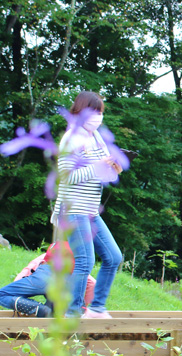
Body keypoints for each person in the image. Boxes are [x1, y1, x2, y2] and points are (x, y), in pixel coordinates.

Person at [52, 91, 123, 318]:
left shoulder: (96, 138)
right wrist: (98, 166)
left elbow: (103, 175)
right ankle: (72, 313)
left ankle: (97, 308)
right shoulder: (71, 138)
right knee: (85, 261)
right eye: (94, 112)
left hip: (90, 210)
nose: (98, 117)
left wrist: (113, 168)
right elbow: (66, 176)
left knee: (113, 257)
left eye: (100, 113)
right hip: (73, 210)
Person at [0, 243, 95, 317]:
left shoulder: (47, 254)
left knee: (2, 294)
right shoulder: (77, 258)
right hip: (66, 283)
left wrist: (17, 292)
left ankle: (37, 309)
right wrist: (80, 305)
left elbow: (26, 271)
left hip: (43, 277)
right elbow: (92, 283)